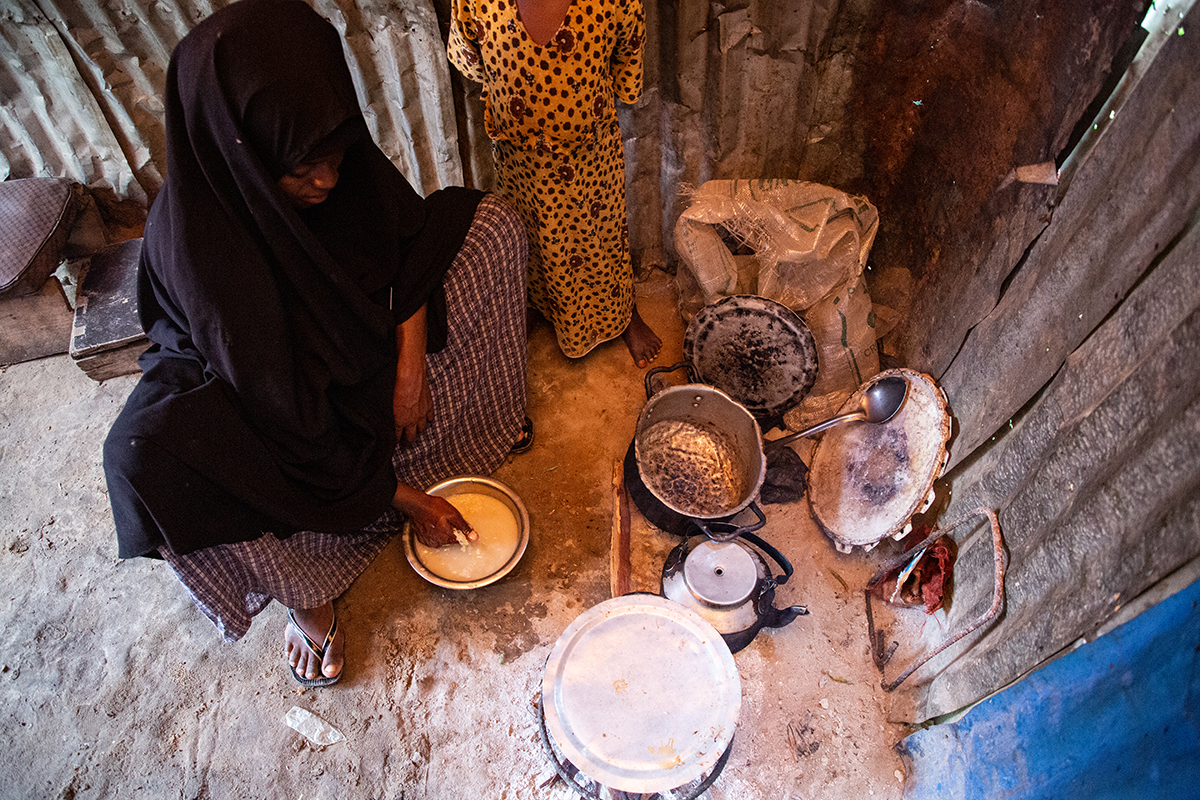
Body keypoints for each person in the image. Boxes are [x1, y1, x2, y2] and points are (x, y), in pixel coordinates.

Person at [102, 0, 529, 688]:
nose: (328, 181)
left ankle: (466, 433)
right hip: (263, 394)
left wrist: (410, 366)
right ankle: (312, 598)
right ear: (239, 152)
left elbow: (407, 245)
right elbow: (289, 417)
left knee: (494, 227)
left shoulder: (333, 163)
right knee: (152, 461)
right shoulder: (205, 254)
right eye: (300, 168)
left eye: (333, 151)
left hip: (356, 348)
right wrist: (410, 500)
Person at [447, 0, 662, 368]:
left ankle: (623, 313)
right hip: (519, 154)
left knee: (602, 231)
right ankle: (534, 304)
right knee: (527, 233)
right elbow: (471, 59)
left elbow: (627, 55)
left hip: (590, 152)